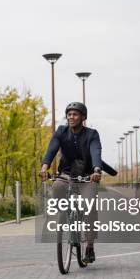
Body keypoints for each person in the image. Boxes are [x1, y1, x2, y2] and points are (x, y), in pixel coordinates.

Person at [40, 102, 102, 263]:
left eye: (75, 114)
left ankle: (89, 246)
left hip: (87, 177)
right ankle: (65, 214)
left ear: (83, 117)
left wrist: (96, 170)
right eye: (69, 114)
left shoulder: (92, 134)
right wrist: (44, 167)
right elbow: (52, 148)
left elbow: (96, 151)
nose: (71, 117)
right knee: (57, 186)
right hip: (66, 174)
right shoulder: (61, 131)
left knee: (89, 208)